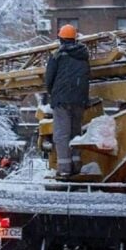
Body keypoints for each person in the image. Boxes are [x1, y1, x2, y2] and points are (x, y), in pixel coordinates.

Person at [44, 24, 90, 176]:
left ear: (61, 39)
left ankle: (64, 169)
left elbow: (49, 78)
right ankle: (77, 165)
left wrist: (53, 93)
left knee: (62, 134)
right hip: (79, 100)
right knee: (76, 132)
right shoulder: (83, 56)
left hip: (62, 100)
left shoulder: (57, 55)